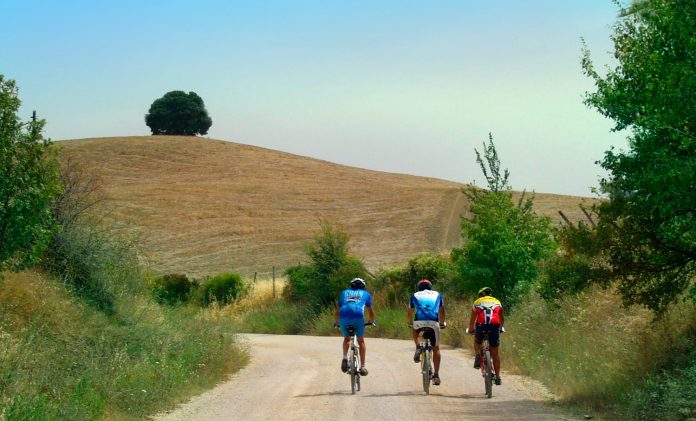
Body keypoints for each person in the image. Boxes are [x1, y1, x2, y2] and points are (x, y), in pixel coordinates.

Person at [407, 279, 446, 386]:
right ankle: (436, 375)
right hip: (434, 322)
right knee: (436, 348)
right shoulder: (438, 294)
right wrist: (442, 323)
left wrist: (409, 322)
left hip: (419, 322)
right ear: (430, 287)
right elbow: (442, 310)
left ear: (418, 287)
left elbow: (410, 311)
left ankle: (418, 346)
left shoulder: (414, 295)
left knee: (415, 329)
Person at [334, 277, 375, 376]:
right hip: (358, 317)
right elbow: (371, 312)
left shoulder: (344, 293)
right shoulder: (365, 294)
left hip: (343, 316)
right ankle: (363, 366)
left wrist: (337, 322)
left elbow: (337, 311)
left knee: (346, 339)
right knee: (361, 340)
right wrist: (371, 321)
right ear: (363, 286)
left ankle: (344, 357)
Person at [468, 286, 505, 385]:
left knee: (477, 341)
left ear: (480, 295)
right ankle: (497, 377)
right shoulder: (497, 301)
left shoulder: (477, 302)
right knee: (495, 354)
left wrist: (471, 329)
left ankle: (478, 356)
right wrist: (501, 327)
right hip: (494, 325)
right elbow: (501, 317)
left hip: (481, 325)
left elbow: (473, 319)